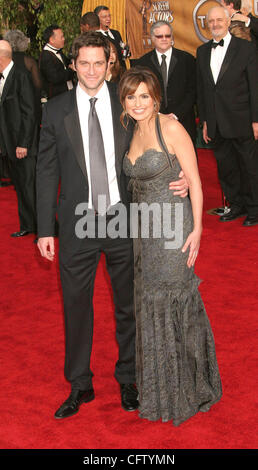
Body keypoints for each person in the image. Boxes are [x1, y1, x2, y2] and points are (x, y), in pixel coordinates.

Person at [36, 32, 188, 420]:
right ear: (73, 64)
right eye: (83, 63)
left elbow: (162, 130)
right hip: (77, 222)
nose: (90, 70)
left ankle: (128, 377)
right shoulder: (55, 110)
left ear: (110, 64)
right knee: (76, 305)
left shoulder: (127, 101)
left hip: (124, 218)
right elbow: (45, 171)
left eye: (98, 63)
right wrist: (43, 228)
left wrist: (183, 174)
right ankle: (80, 384)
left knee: (127, 305)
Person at [120, 66, 222, 426]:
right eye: (131, 96)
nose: (138, 103)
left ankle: (190, 387)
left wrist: (197, 230)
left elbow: (195, 181)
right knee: (150, 303)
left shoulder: (172, 127)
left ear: (156, 97)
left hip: (174, 229)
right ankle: (160, 388)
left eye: (144, 96)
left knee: (176, 300)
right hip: (143, 233)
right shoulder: (129, 130)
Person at [197, 6, 258, 227]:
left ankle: (254, 208)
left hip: (242, 119)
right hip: (215, 122)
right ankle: (236, 205)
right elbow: (202, 89)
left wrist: (256, 120)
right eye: (211, 21)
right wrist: (205, 121)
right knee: (226, 168)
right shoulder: (202, 51)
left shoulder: (246, 48)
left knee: (249, 167)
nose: (215, 24)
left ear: (227, 21)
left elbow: (254, 86)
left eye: (219, 20)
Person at [135, 21, 197, 145]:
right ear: (152, 38)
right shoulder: (142, 63)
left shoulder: (187, 59)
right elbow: (141, 93)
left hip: (183, 121)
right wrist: (157, 114)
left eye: (167, 36)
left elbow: (193, 91)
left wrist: (176, 114)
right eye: (159, 36)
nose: (164, 39)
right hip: (153, 121)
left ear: (172, 37)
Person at [0, 40, 38, 238]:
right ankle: (28, 225)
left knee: (30, 187)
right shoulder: (5, 77)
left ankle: (42, 229)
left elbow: (30, 112)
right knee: (21, 188)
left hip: (24, 145)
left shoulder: (21, 76)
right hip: (11, 144)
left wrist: (23, 143)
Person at [3, 29, 42, 121]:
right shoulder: (29, 61)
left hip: (7, 107)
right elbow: (38, 85)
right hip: (28, 105)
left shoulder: (4, 61)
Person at [39, 24, 75, 99]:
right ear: (51, 40)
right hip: (58, 96)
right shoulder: (46, 56)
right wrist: (71, 70)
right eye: (61, 37)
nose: (64, 39)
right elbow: (55, 78)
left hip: (68, 92)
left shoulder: (58, 51)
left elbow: (67, 64)